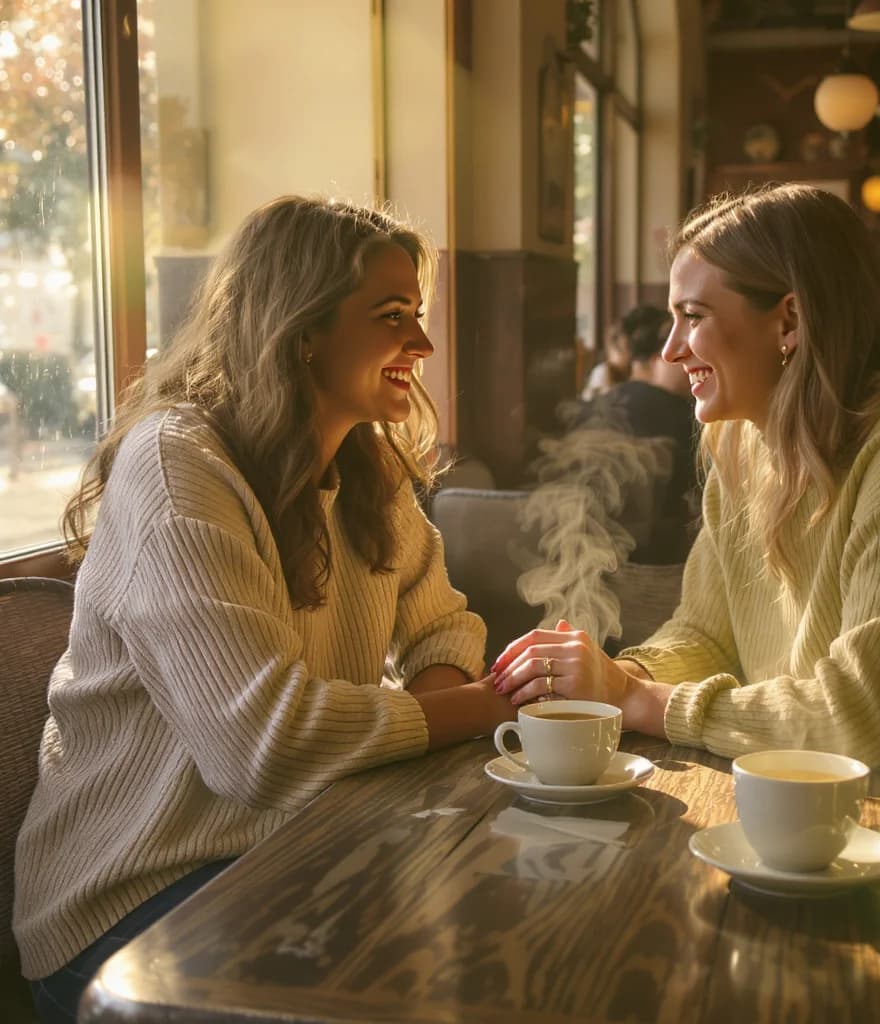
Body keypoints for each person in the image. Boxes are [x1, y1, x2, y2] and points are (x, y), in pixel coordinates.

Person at [14, 195, 513, 1022]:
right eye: (393, 316)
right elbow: (263, 746)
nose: (422, 345)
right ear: (302, 328)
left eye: (418, 315)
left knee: (493, 919)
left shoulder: (367, 465)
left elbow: (443, 628)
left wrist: (436, 732)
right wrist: (481, 708)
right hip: (132, 901)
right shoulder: (177, 467)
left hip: (301, 843)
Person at [491, 184, 880, 769]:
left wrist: (638, 699)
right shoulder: (740, 441)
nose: (670, 351)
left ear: (789, 320)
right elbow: (706, 637)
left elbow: (862, 717)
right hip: (795, 787)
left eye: (693, 316)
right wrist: (616, 676)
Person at [577, 304, 700, 561]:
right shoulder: (683, 413)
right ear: (658, 358)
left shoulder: (593, 406)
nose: (687, 364)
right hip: (660, 559)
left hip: (584, 549)